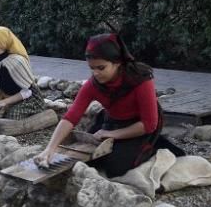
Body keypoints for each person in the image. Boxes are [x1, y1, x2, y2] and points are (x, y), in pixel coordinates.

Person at [35, 32, 183, 178]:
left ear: (117, 63)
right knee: (90, 159)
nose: (96, 73)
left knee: (115, 168)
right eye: (92, 68)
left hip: (141, 125)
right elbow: (71, 117)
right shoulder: (93, 85)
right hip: (113, 120)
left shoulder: (141, 80)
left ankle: (154, 144)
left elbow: (148, 124)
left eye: (101, 68)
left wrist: (110, 134)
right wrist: (49, 149)